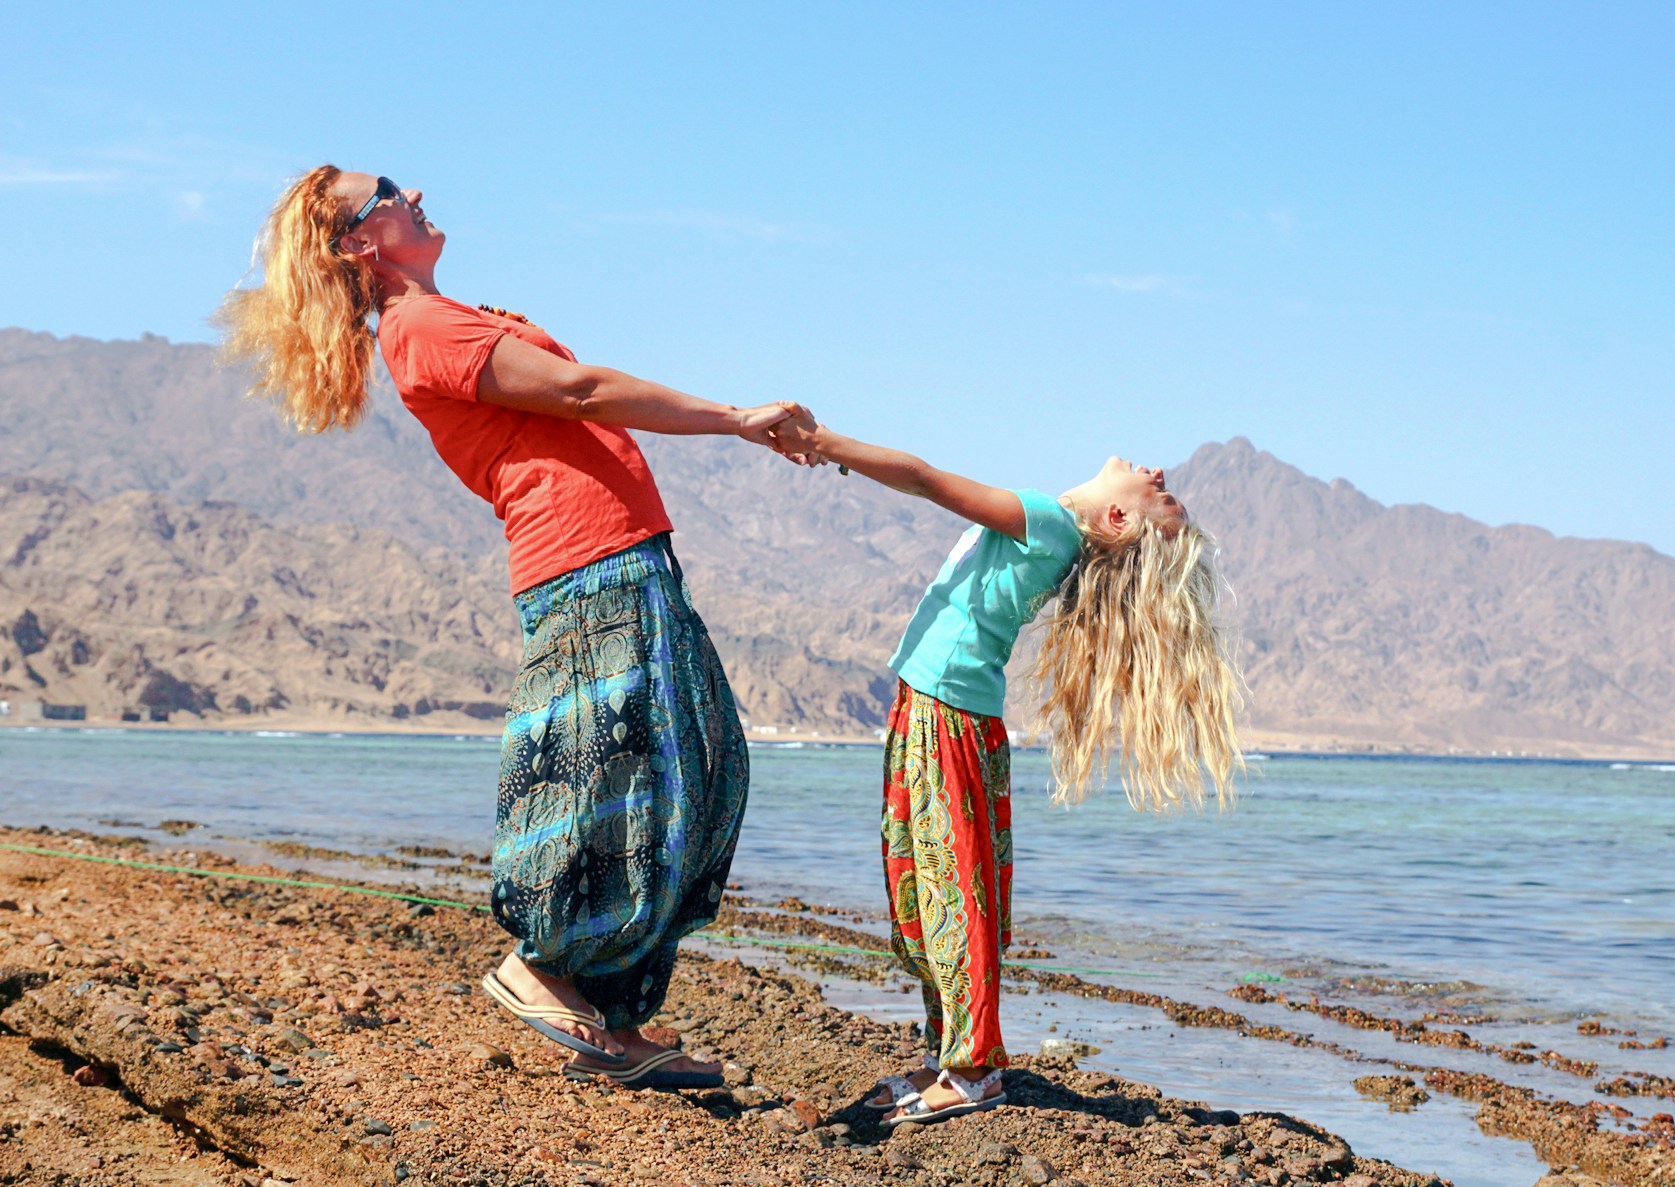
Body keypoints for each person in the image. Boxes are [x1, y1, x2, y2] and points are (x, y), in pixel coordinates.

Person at [218, 166, 808, 1089]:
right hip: (589, 567)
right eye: (389, 192)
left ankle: (604, 1016)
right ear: (360, 242)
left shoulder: (440, 318)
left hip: (617, 557)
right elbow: (582, 391)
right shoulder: (421, 327)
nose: (416, 194)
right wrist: (737, 419)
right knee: (621, 785)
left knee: (686, 776)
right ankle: (538, 968)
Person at [767, 414, 1246, 1125]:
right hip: (936, 708)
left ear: (1117, 518)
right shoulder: (1053, 529)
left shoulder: (1048, 522)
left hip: (948, 714)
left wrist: (825, 443)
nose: (1158, 474)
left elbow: (926, 479)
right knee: (926, 888)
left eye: (1162, 494)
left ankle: (973, 1070)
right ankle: (949, 1053)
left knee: (955, 890)